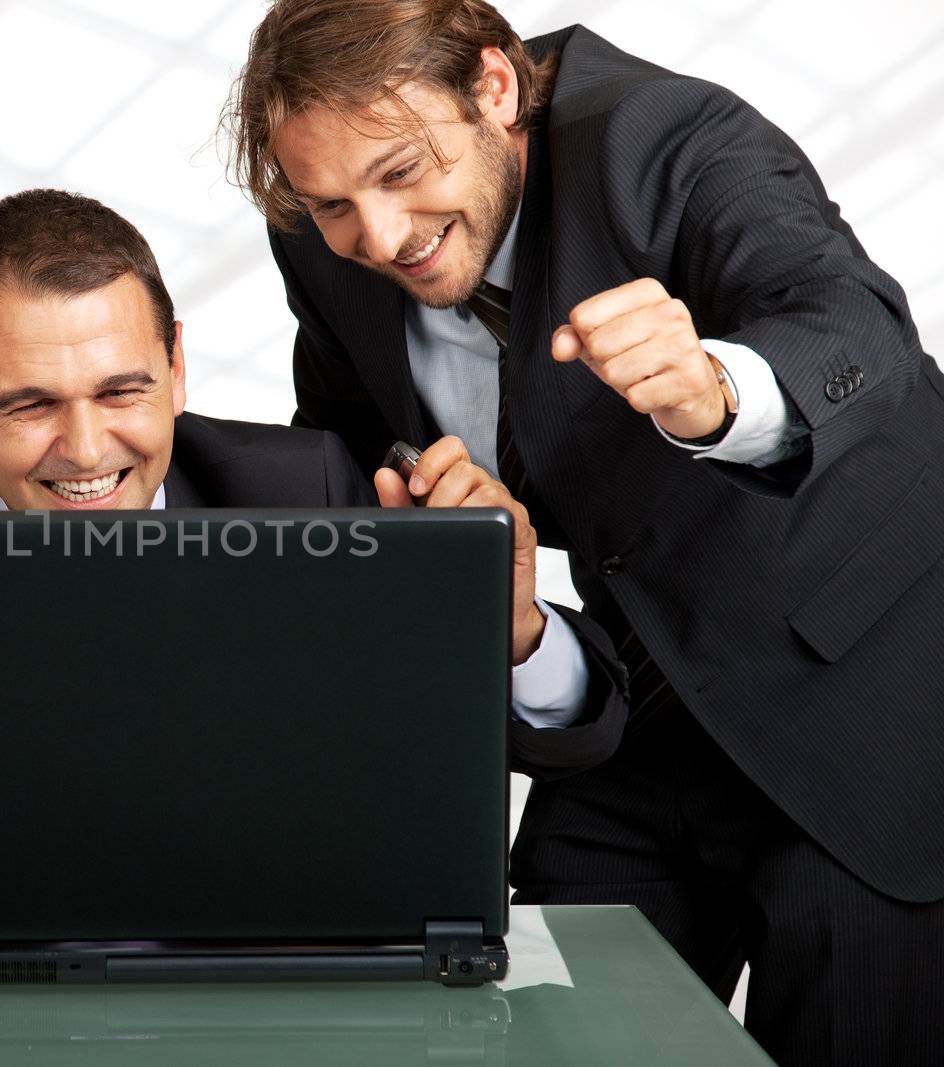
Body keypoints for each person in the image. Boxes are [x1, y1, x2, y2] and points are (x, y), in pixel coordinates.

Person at [223, 3, 944, 1064]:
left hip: (863, 677)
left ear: (496, 90)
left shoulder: (666, 136)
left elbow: (852, 324)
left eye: (401, 170)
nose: (377, 237)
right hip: (643, 680)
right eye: (333, 202)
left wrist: (714, 389)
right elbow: (338, 445)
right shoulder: (321, 241)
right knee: (541, 1028)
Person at [0, 188, 629, 922]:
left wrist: (510, 629)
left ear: (176, 368)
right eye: (30, 405)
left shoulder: (308, 487)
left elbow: (534, 751)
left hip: (277, 974)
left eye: (121, 390)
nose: (85, 447)